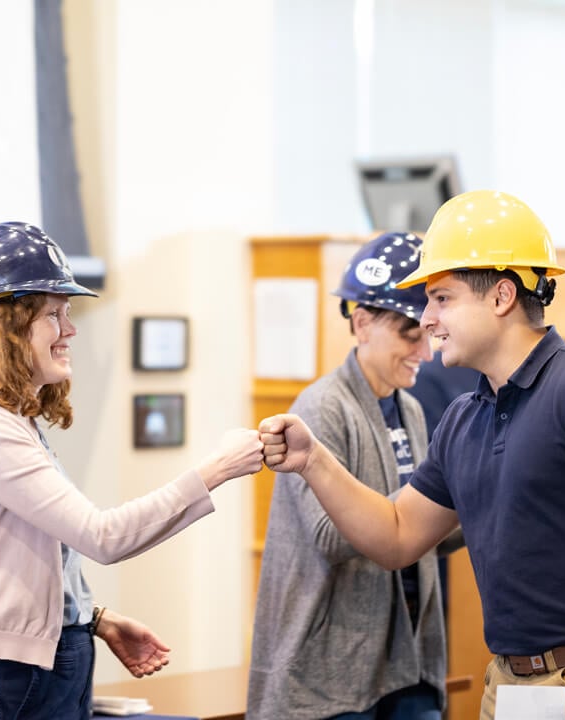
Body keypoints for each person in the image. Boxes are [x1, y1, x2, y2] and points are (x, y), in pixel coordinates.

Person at [260, 190, 565, 720]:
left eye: (441, 298)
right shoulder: (463, 419)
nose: (427, 319)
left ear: (500, 297)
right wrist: (314, 460)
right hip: (511, 684)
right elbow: (398, 535)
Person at [0, 221, 264, 720]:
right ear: (5, 328)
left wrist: (91, 618)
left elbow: (26, 554)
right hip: (6, 681)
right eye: (53, 315)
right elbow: (102, 536)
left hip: (45, 667)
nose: (71, 330)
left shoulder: (13, 424)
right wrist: (218, 468)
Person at [248, 232, 456, 720]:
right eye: (409, 333)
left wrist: (481, 501)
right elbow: (331, 534)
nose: (424, 352)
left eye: (429, 332)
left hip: (407, 660)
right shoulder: (321, 408)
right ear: (362, 323)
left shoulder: (411, 410)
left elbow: (422, 534)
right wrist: (422, 507)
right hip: (332, 674)